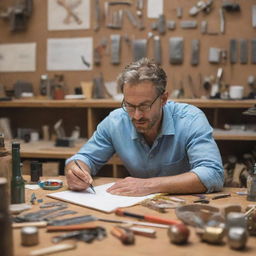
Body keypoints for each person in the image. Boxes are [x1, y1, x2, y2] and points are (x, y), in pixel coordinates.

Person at [65, 58, 224, 196]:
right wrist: (75, 171)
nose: (136, 116)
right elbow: (83, 158)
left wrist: (148, 185)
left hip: (185, 206)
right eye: (130, 106)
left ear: (163, 99)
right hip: (137, 207)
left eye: (144, 106)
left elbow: (212, 174)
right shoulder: (115, 122)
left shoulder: (191, 120)